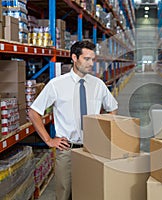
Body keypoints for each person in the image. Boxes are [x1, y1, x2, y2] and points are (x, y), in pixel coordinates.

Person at [28, 40, 118, 200]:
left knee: (90, 193)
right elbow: (34, 112)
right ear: (74, 58)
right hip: (67, 150)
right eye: (87, 59)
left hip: (92, 149)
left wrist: (102, 131)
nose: (91, 63)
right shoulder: (57, 85)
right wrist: (49, 140)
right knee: (64, 194)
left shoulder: (98, 85)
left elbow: (113, 108)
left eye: (93, 59)